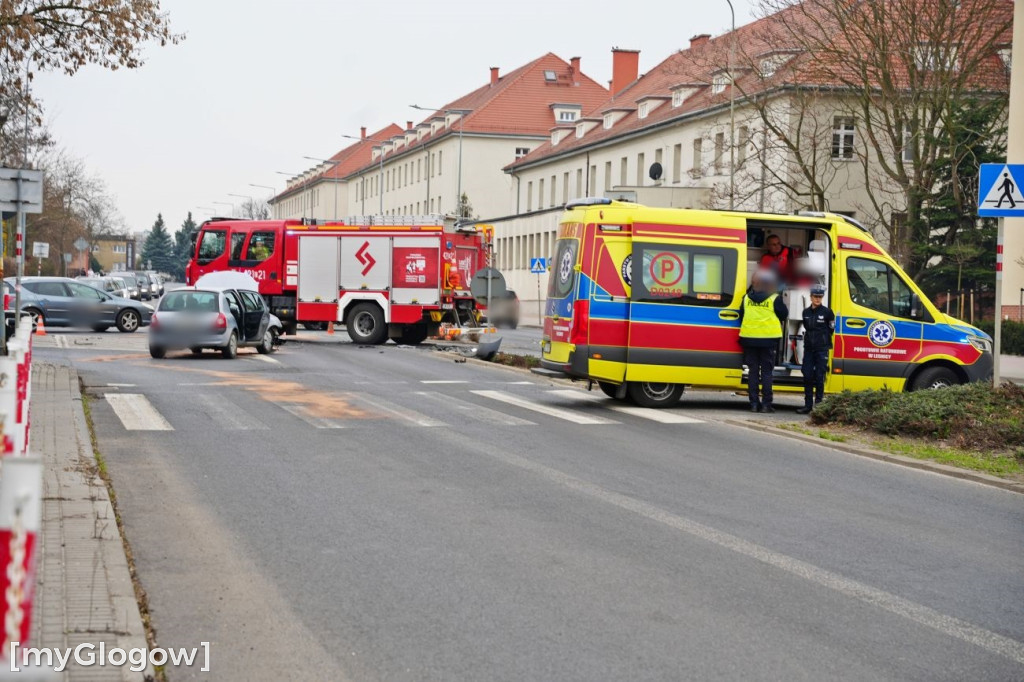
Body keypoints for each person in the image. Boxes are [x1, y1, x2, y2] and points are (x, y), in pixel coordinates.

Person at [738, 269, 788, 413]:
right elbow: (784, 314)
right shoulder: (774, 298)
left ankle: (754, 404)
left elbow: (742, 316)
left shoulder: (746, 298)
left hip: (749, 339)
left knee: (753, 372)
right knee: (766, 373)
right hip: (768, 341)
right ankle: (766, 405)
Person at [796, 283, 835, 414]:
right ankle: (807, 405)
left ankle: (818, 405)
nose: (817, 299)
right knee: (807, 375)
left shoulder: (827, 312)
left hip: (821, 349)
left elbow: (831, 329)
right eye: (815, 296)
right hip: (809, 349)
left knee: (819, 376)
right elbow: (807, 327)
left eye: (820, 296)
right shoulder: (805, 312)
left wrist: (822, 340)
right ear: (811, 297)